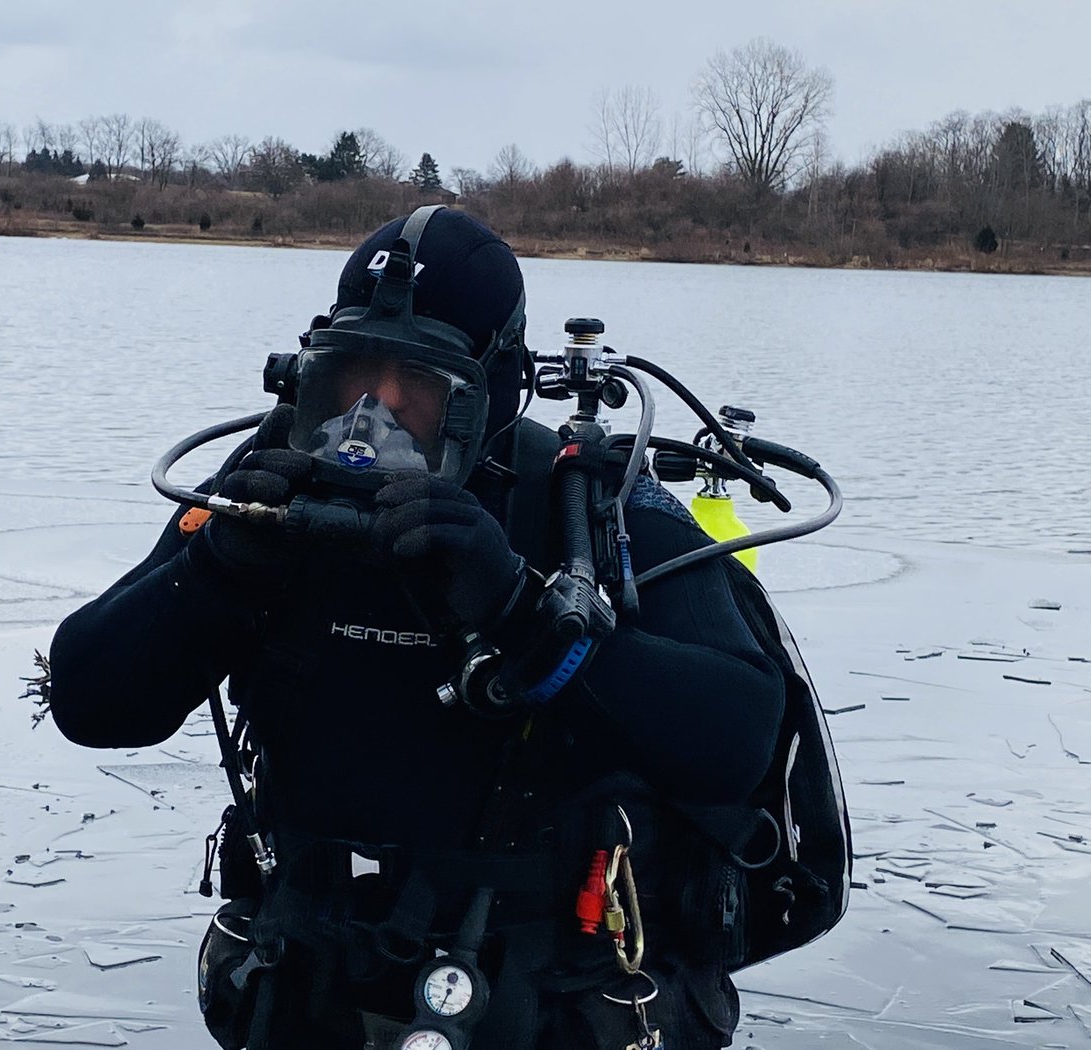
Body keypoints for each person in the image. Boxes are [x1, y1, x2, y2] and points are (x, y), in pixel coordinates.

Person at [47, 206, 789, 1050]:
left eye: (418, 388)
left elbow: (741, 737)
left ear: (497, 385)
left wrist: (520, 610)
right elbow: (89, 702)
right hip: (311, 986)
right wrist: (217, 569)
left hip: (546, 995)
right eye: (352, 373)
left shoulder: (587, 500)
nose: (374, 414)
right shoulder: (267, 490)